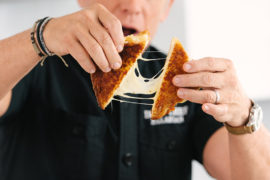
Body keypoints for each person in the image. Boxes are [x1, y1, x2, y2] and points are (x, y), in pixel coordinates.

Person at [0, 0, 269, 179]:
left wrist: (244, 117)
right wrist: (40, 37)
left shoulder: (188, 84)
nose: (133, 5)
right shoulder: (32, 66)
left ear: (167, 7)